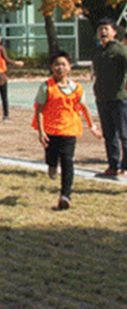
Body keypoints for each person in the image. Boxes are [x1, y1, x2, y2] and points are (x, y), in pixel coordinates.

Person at [33, 51, 103, 209]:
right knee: (51, 157)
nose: (60, 67)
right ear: (52, 67)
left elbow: (84, 108)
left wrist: (93, 127)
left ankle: (65, 195)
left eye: (63, 64)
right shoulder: (46, 87)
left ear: (69, 67)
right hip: (51, 130)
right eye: (56, 64)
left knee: (67, 161)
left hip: (69, 130)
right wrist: (41, 131)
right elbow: (39, 109)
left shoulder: (77, 88)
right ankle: (51, 164)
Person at [92, 18, 127, 177]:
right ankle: (113, 165)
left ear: (114, 32)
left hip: (119, 98)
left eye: (106, 29)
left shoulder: (119, 50)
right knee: (109, 135)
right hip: (102, 98)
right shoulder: (99, 51)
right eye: (101, 29)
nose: (103, 32)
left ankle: (125, 166)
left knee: (124, 134)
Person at [0, 31, 25, 121]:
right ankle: (6, 115)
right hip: (0, 74)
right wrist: (16, 62)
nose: (0, 39)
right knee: (4, 96)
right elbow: (6, 59)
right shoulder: (0, 48)